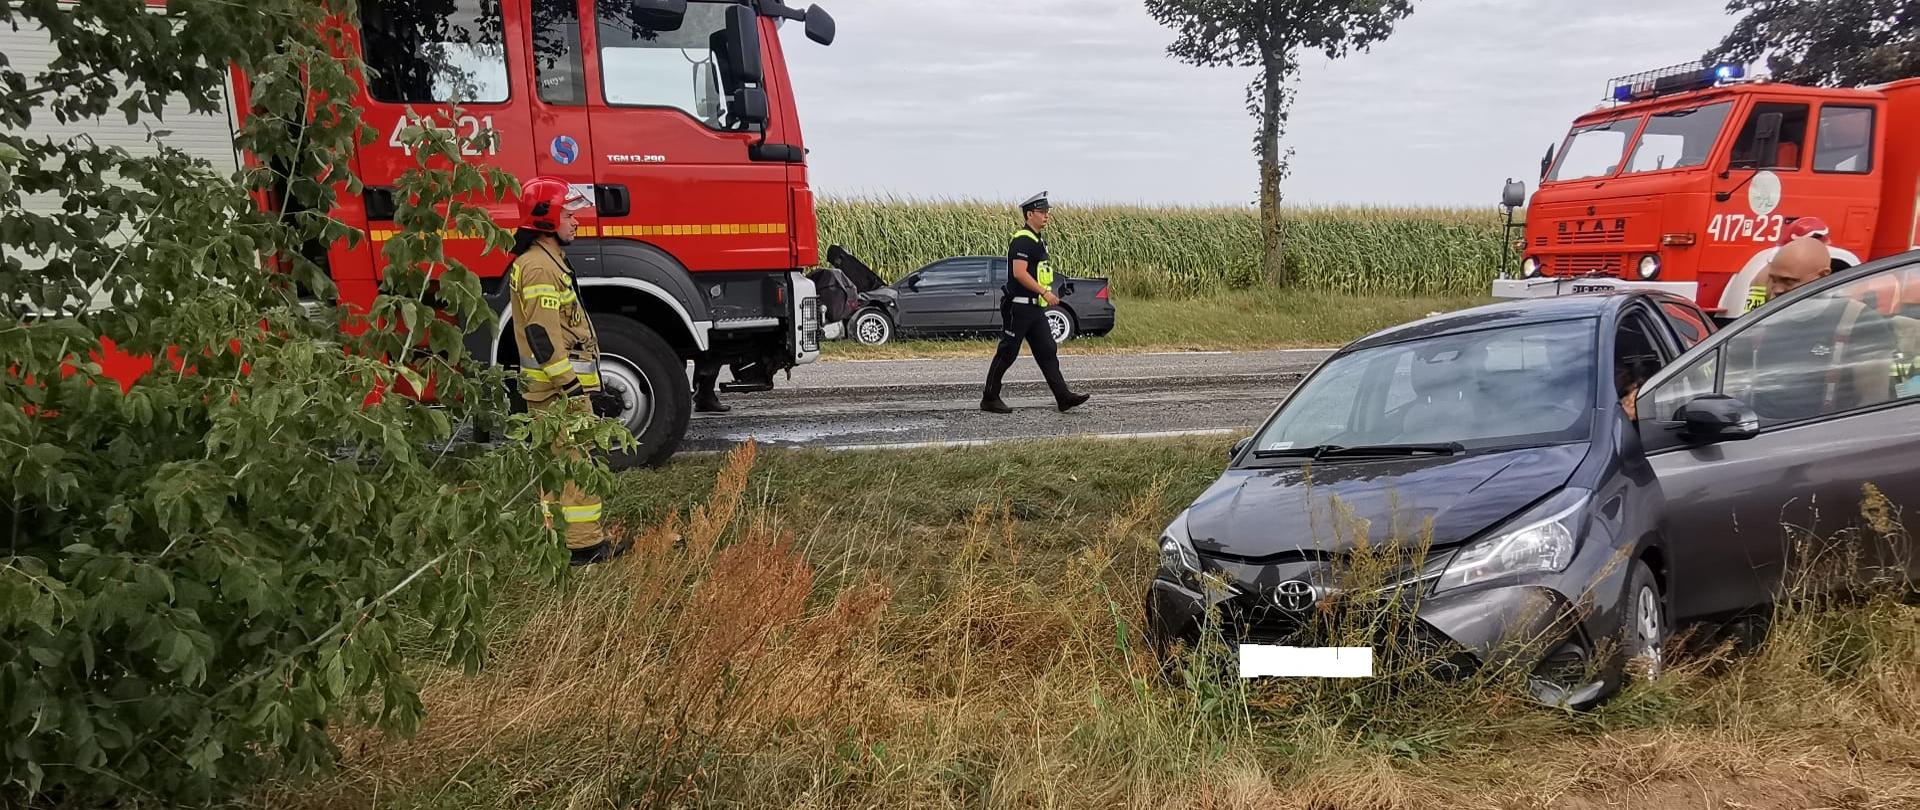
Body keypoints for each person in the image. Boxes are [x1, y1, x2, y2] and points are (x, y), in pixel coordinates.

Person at [508, 176, 630, 567]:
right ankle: (583, 547)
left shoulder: (544, 262)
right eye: (568, 213)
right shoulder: (540, 269)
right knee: (577, 468)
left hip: (553, 392)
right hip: (558, 394)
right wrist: (572, 386)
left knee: (559, 469)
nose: (576, 220)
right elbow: (542, 336)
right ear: (545, 219)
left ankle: (559, 541)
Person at [980, 191, 1090, 414]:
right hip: (1019, 307)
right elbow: (1019, 273)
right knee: (1007, 352)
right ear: (1030, 214)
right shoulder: (1022, 239)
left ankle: (1063, 397)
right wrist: (1045, 292)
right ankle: (989, 398)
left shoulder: (1038, 240)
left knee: (1047, 350)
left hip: (1034, 307)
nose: (1046, 215)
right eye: (1042, 212)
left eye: (1047, 211)